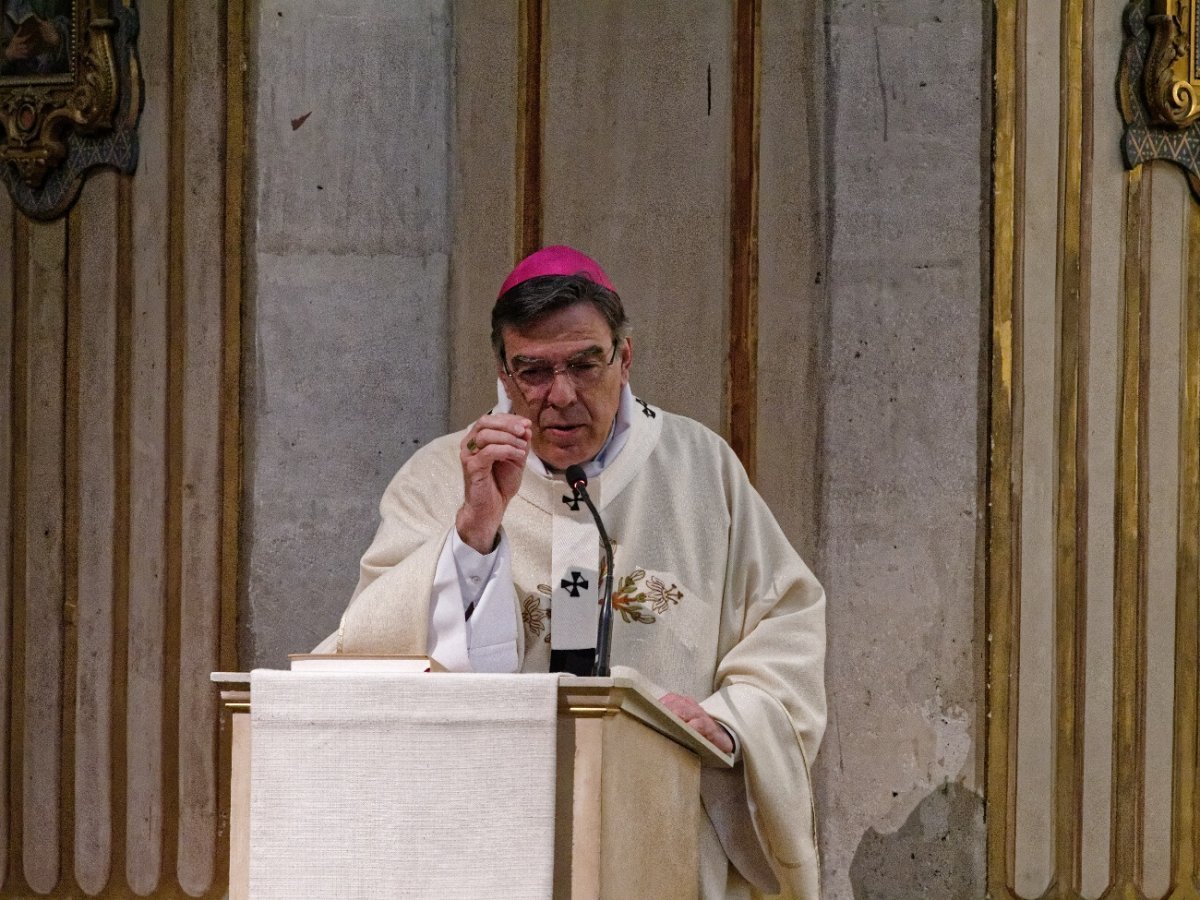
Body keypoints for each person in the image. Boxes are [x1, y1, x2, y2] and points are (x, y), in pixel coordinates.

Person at [317, 245, 827, 899]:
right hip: (493, 842)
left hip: (661, 828)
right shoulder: (441, 476)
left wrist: (731, 721)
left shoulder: (700, 467)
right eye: (532, 371)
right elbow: (369, 658)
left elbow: (783, 621)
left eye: (585, 365)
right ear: (502, 372)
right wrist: (473, 534)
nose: (561, 396)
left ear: (625, 357)